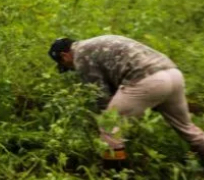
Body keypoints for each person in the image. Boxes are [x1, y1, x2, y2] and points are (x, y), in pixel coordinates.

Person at [49, 35, 204, 164]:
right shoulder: (94, 43)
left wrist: (103, 122)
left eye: (66, 65)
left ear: (64, 55)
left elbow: (100, 95)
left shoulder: (80, 57)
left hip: (147, 80)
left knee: (109, 124)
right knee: (187, 129)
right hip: (172, 73)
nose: (71, 68)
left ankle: (114, 172)